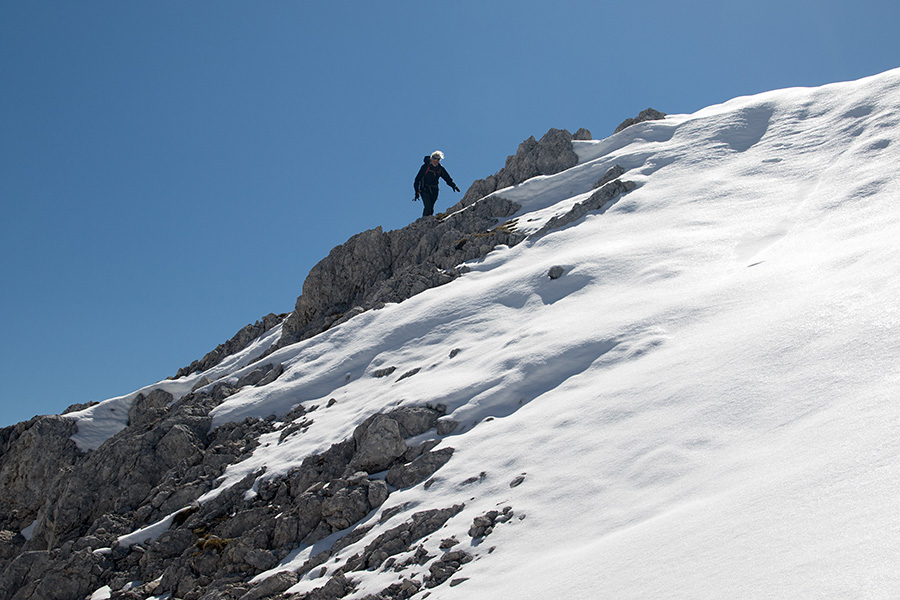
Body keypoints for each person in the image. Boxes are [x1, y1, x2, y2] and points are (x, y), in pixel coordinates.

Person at [413, 150, 460, 217]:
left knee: (431, 208)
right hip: (424, 189)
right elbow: (417, 179)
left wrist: (453, 185)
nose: (436, 161)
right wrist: (416, 191)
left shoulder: (440, 169)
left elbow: (447, 178)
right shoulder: (425, 167)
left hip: (434, 190)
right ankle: (424, 221)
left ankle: (427, 222)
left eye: (438, 159)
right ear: (431, 158)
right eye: (435, 158)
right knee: (428, 207)